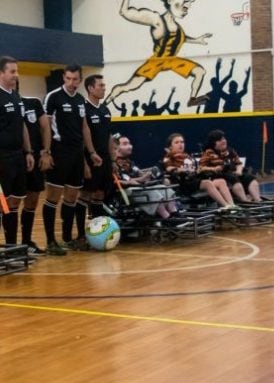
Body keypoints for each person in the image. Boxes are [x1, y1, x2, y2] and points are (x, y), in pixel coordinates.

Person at [105, 0, 212, 108]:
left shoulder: (177, 27)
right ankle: (106, 102)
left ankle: (192, 100)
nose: (188, 6)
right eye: (186, 1)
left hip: (171, 60)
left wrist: (196, 40)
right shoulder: (156, 20)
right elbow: (125, 12)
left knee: (200, 71)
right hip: (156, 61)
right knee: (128, 86)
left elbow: (181, 38)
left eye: (190, 3)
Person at [41, 64, 101, 254]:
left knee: (72, 197)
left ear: (80, 80)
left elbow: (84, 128)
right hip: (59, 151)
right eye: (68, 79)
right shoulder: (54, 97)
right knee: (52, 197)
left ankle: (68, 238)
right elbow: (46, 126)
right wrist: (46, 152)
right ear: (64, 78)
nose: (72, 83)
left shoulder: (81, 100)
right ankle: (51, 241)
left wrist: (91, 153)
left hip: (76, 153)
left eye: (75, 79)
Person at [0, 55, 35, 249]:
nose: (16, 75)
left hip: (17, 156)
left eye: (16, 71)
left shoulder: (15, 96)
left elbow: (23, 126)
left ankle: (12, 249)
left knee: (14, 203)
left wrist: (28, 152)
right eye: (12, 71)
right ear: (0, 73)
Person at [163, 133, 238, 210]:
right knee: (207, 183)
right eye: (177, 142)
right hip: (183, 183)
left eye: (182, 142)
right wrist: (182, 170)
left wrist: (201, 170)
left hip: (194, 180)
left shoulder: (187, 156)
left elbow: (197, 169)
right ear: (170, 146)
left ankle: (232, 205)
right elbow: (169, 168)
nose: (180, 144)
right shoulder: (169, 156)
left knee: (221, 181)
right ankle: (226, 207)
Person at [115, 134, 182, 221]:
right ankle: (167, 219)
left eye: (129, 143)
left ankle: (174, 213)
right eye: (125, 144)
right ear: (116, 148)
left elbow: (140, 174)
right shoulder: (114, 165)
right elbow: (122, 180)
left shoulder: (130, 163)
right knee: (154, 194)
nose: (129, 146)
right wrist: (140, 180)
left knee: (165, 189)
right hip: (128, 193)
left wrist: (148, 175)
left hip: (140, 188)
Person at [81, 74, 113, 240]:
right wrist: (86, 160)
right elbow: (81, 137)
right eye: (100, 85)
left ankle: (98, 232)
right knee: (85, 194)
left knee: (100, 193)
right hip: (90, 159)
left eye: (104, 85)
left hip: (105, 159)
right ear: (90, 88)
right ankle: (80, 233)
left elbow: (109, 136)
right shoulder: (84, 109)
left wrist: (112, 160)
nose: (103, 88)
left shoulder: (105, 110)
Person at [19, 88, 50, 256]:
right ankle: (9, 247)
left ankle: (26, 241)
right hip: (15, 159)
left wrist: (46, 152)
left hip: (35, 157)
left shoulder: (33, 103)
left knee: (32, 201)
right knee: (11, 203)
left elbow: (45, 127)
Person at [200, 129, 262, 202]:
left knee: (249, 177)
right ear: (213, 143)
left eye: (223, 139)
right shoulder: (208, 153)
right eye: (220, 140)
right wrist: (214, 169)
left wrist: (239, 171)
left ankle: (257, 199)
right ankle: (245, 200)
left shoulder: (230, 150)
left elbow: (238, 163)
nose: (223, 141)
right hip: (220, 175)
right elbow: (201, 168)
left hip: (234, 173)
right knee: (233, 178)